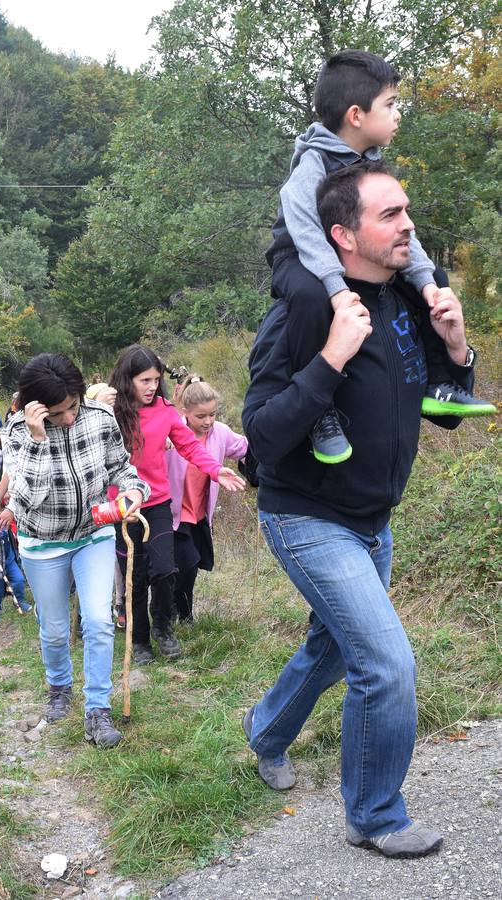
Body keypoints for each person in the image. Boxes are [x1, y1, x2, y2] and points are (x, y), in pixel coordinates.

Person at [242, 160, 482, 858]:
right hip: (305, 517)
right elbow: (260, 435)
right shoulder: (302, 314)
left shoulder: (410, 303)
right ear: (343, 235)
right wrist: (330, 360)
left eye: (407, 210)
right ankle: (375, 813)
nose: (408, 224)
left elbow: (444, 415)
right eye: (390, 215)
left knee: (333, 646)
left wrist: (458, 346)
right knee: (385, 662)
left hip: (374, 520)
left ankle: (265, 731)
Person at [267, 50, 494, 464]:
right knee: (309, 296)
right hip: (300, 256)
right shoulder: (314, 161)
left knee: (430, 279)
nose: (398, 114)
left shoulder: (372, 163)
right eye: (390, 105)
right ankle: (321, 413)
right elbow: (304, 232)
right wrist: (336, 290)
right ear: (356, 115)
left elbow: (402, 232)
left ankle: (439, 383)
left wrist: (426, 281)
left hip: (343, 250)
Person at [3, 353, 149, 748]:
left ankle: (97, 711)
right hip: (41, 545)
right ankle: (59, 687)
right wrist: (37, 440)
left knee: (99, 621)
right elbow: (26, 499)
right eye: (57, 412)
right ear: (35, 407)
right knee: (53, 630)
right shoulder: (16, 434)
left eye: (73, 406)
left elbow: (122, 467)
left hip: (93, 535)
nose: (68, 418)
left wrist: (134, 491)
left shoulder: (99, 419)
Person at [109, 345, 245, 665]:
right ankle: (140, 640)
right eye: (144, 380)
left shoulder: (166, 411)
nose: (151, 386)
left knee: (164, 569)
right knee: (135, 576)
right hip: (124, 505)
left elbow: (188, 447)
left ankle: (164, 629)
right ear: (128, 380)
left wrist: (216, 468)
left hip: (157, 503)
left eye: (155, 379)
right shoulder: (110, 414)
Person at [166, 375, 248, 624]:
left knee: (190, 568)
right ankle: (171, 613)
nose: (208, 421)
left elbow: (246, 447)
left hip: (200, 513)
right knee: (186, 564)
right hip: (172, 513)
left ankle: (181, 614)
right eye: (201, 416)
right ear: (185, 411)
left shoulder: (220, 433)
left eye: (212, 414)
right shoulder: (172, 433)